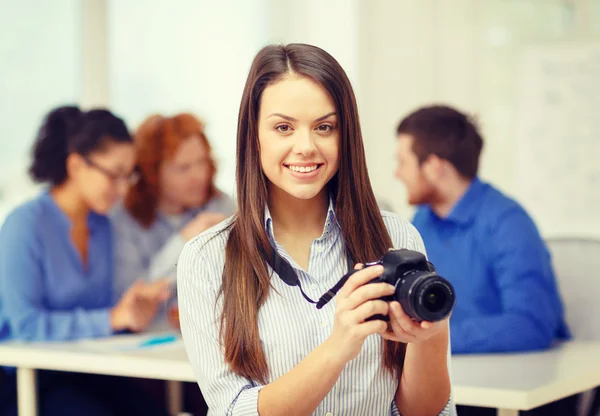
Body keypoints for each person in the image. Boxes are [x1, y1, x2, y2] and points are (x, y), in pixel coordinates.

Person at [177, 44, 456, 416]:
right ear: (253, 136)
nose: (306, 147)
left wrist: (431, 336)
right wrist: (338, 347)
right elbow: (234, 409)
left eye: (324, 127)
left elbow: (424, 412)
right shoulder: (206, 257)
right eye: (283, 128)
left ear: (345, 136)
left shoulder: (398, 239)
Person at [394, 104, 575, 415]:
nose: (397, 173)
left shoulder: (508, 223)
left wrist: (435, 337)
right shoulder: (421, 221)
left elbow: (532, 325)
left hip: (516, 393)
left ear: (434, 166)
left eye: (402, 162)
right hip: (459, 380)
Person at [0, 106, 169, 416]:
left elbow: (99, 311)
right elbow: (25, 325)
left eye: (127, 175)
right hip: (28, 378)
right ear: (77, 166)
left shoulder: (103, 227)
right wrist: (111, 319)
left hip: (86, 370)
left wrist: (130, 314)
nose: (123, 189)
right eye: (114, 175)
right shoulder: (23, 225)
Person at [111, 113, 234, 300]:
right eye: (183, 168)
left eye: (202, 162)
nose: (199, 176)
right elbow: (134, 299)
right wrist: (184, 241)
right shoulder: (124, 218)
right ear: (153, 173)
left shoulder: (220, 204)